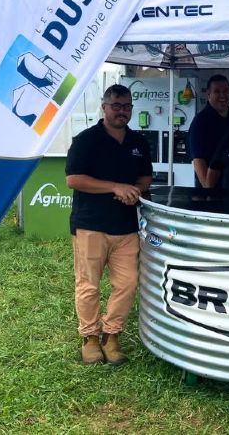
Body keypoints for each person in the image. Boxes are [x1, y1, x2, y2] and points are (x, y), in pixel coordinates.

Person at [65, 84, 153, 365]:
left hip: (127, 227)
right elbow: (74, 180)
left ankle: (111, 335)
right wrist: (115, 187)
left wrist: (135, 190)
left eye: (126, 106)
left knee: (127, 284)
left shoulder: (139, 142)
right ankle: (89, 337)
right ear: (104, 107)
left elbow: (145, 178)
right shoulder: (86, 140)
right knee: (88, 285)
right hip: (91, 225)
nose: (121, 111)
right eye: (116, 105)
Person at [188, 74, 229, 188]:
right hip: (210, 192)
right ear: (209, 94)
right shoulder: (200, 122)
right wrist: (208, 190)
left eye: (225, 91)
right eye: (217, 92)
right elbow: (198, 160)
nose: (222, 95)